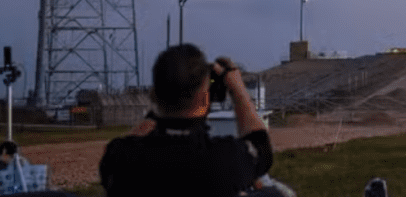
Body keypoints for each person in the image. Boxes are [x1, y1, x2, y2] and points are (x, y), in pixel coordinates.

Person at [99, 44, 281, 197]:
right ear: (203, 98)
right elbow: (261, 146)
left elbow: (128, 146)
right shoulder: (227, 158)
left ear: (154, 95)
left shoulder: (121, 156)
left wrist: (158, 110)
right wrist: (237, 87)